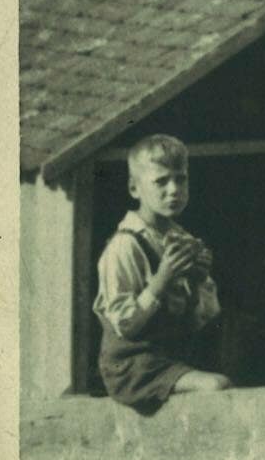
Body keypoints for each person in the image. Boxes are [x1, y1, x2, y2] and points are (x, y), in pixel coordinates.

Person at [93, 134, 232, 411]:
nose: (174, 190)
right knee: (217, 387)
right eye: (161, 181)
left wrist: (199, 281)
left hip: (168, 358)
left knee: (225, 372)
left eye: (181, 179)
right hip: (132, 366)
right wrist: (162, 279)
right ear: (135, 188)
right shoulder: (125, 246)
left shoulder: (179, 239)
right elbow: (125, 325)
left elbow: (201, 321)